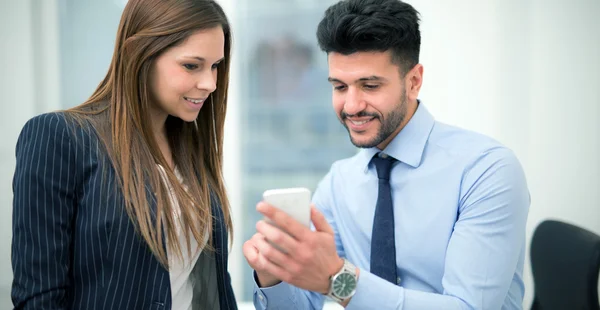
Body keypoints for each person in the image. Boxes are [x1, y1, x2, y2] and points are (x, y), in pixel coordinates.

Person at [243, 0, 530, 309]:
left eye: (369, 85)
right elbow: (306, 303)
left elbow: (469, 307)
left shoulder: (486, 171)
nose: (351, 106)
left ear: (414, 82)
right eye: (340, 86)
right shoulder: (340, 183)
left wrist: (338, 280)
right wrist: (273, 275)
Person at [11, 0, 237, 309]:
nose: (210, 83)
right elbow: (40, 299)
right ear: (138, 53)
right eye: (191, 65)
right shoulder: (60, 137)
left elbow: (215, 291)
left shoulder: (193, 150)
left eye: (215, 66)